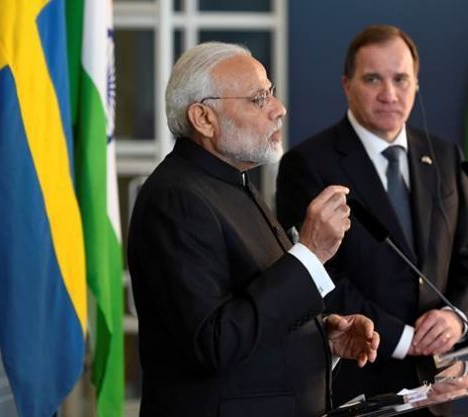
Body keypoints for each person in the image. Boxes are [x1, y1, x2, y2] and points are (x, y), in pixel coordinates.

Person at [127, 42, 379, 417]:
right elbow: (212, 343)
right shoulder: (176, 199)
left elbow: (251, 311)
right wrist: (310, 254)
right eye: (259, 98)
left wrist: (317, 338)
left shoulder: (234, 182)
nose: (279, 110)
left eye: (271, 93)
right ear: (203, 118)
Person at [276, 24, 468, 410]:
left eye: (401, 79)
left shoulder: (444, 158)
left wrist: (455, 317)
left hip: (439, 386)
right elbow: (316, 277)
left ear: (417, 84)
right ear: (347, 84)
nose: (389, 94)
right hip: (359, 381)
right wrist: (404, 339)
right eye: (373, 79)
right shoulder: (308, 165)